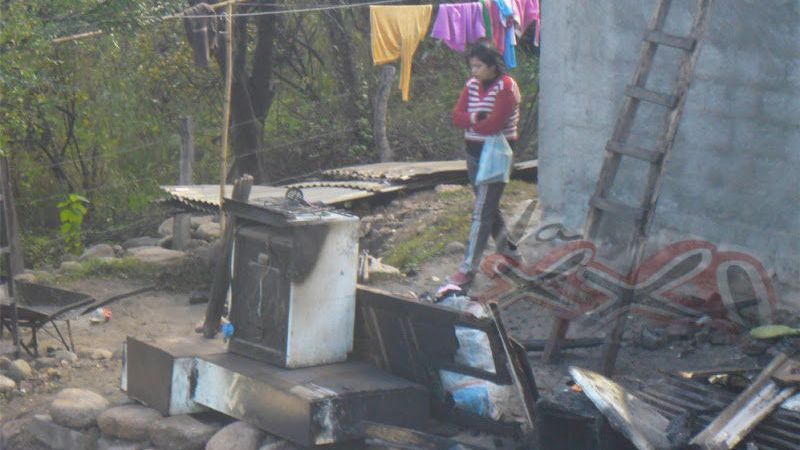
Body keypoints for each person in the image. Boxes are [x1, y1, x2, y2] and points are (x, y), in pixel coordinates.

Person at [448, 39, 522, 287]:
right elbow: (456, 117)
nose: (474, 72)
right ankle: (511, 253)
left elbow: (494, 124)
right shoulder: (471, 85)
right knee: (488, 207)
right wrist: (475, 118)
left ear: (492, 66)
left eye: (478, 66)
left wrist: (472, 120)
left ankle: (468, 268)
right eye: (472, 67)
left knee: (482, 212)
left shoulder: (507, 87)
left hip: (496, 156)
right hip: (473, 153)